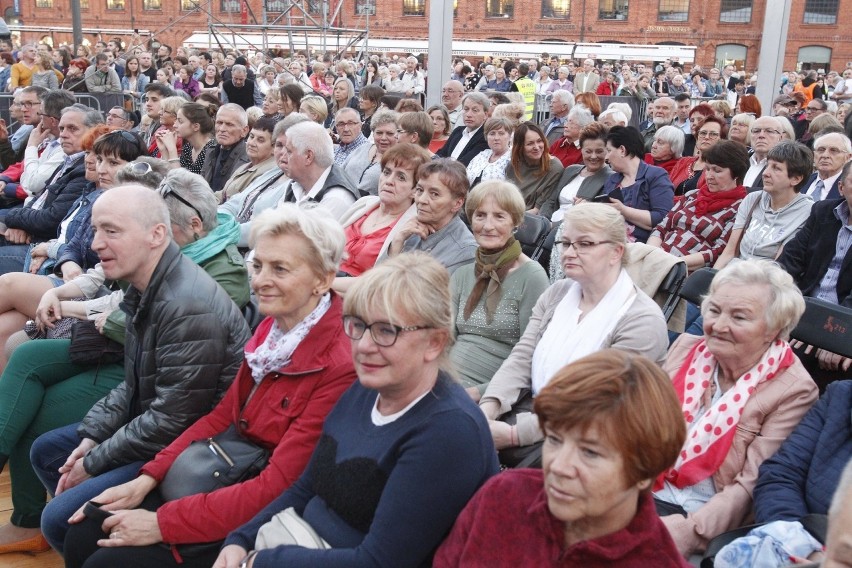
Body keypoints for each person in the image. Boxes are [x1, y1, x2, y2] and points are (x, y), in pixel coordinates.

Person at [60, 205, 357, 568]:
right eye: (258, 265)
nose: (260, 280)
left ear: (323, 280)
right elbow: (222, 416)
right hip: (221, 473)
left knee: (107, 561)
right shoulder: (275, 330)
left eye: (280, 269)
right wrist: (149, 477)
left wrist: (162, 524)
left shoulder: (338, 365)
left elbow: (280, 484)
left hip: (259, 509)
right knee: (83, 529)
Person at [211, 252, 499, 568]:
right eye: (357, 325)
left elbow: (380, 562)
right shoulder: (365, 388)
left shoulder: (449, 433)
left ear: (434, 343)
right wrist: (242, 538)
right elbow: (307, 485)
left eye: (386, 330)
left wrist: (262, 561)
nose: (363, 345)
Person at [435, 350, 690, 568]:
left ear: (645, 470)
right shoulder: (503, 496)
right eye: (554, 440)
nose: (558, 466)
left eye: (590, 452)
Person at [478, 204, 669, 464]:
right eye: (566, 243)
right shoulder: (558, 293)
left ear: (616, 252)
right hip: (534, 407)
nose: (570, 252)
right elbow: (522, 357)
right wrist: (487, 410)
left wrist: (514, 434)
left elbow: (600, 405)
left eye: (585, 244)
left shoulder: (641, 320)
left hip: (590, 435)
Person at [655, 260, 818, 557]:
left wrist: (689, 532)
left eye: (739, 317)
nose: (718, 325)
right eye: (714, 311)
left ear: (774, 329)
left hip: (699, 516)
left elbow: (750, 485)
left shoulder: (794, 390)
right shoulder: (686, 348)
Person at [450, 180, 549, 392]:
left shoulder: (532, 277)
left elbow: (533, 360)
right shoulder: (462, 274)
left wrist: (477, 394)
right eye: (480, 215)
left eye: (499, 216)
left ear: (516, 222)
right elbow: (445, 339)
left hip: (492, 393)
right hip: (445, 383)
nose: (487, 226)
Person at [335, 142, 432, 288]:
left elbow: (384, 284)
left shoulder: (412, 228)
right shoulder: (364, 203)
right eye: (386, 172)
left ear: (415, 190)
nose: (389, 181)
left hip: (357, 299)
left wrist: (323, 283)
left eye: (401, 177)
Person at [649, 140, 749, 271]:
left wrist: (672, 263)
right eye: (707, 169)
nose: (709, 176)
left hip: (686, 271)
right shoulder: (693, 195)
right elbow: (661, 228)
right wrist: (652, 253)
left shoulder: (739, 208)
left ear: (736, 174)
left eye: (717, 171)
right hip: (658, 258)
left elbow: (718, 252)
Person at [714, 141, 814, 269]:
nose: (765, 173)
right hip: (733, 272)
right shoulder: (753, 199)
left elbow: (779, 266)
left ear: (796, 179)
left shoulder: (806, 212)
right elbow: (729, 252)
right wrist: (712, 280)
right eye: (767, 165)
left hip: (764, 280)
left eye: (776, 168)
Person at [386, 159, 477, 274]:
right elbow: (376, 280)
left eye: (434, 194)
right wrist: (398, 240)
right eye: (420, 190)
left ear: (457, 203)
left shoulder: (465, 251)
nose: (421, 200)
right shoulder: (410, 230)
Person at [601, 126, 675, 243]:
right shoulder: (612, 179)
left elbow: (663, 218)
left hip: (641, 246)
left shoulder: (656, 176)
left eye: (609, 151)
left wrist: (623, 210)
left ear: (622, 150)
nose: (606, 157)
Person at [539, 122, 614, 222]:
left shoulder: (611, 178)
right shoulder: (570, 170)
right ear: (581, 150)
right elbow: (551, 201)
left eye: (599, 151)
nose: (593, 156)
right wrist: (543, 221)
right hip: (548, 224)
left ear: (607, 151)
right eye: (588, 151)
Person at [215, 116, 279, 204]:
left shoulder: (268, 173)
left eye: (260, 140)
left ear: (274, 147)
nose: (252, 143)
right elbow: (222, 194)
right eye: (251, 137)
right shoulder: (245, 166)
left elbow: (239, 205)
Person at [506, 122, 563, 211]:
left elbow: (537, 210)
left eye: (539, 141)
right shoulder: (513, 166)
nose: (536, 147)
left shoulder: (554, 167)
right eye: (530, 144)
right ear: (520, 147)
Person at [341, 110, 398, 197]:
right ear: (373, 133)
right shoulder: (362, 148)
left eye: (389, 133)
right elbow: (340, 172)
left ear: (398, 134)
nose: (383, 138)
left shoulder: (399, 162)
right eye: (379, 133)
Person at [199, 104, 251, 193]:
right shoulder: (210, 150)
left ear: (244, 131)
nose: (222, 129)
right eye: (219, 123)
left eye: (229, 124)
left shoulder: (249, 158)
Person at [435, 92, 490, 166]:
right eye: (466, 109)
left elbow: (463, 165)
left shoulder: (486, 137)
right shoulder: (458, 131)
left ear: (485, 115)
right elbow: (441, 154)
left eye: (475, 110)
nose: (468, 115)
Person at [465, 117, 513, 187]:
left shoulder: (512, 158)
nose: (496, 138)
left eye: (501, 133)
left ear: (509, 136)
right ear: (486, 137)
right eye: (492, 134)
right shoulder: (482, 155)